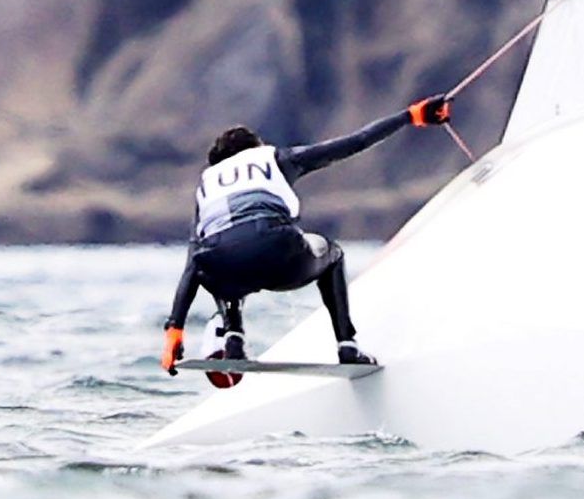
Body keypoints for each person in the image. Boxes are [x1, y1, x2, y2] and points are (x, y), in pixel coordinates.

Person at [160, 96, 453, 375]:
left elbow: (193, 264)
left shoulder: (206, 186)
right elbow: (356, 141)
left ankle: (233, 338)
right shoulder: (276, 158)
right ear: (255, 147)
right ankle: (347, 345)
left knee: (217, 257)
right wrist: (411, 116)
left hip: (228, 270)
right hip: (280, 256)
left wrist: (175, 329)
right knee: (333, 253)